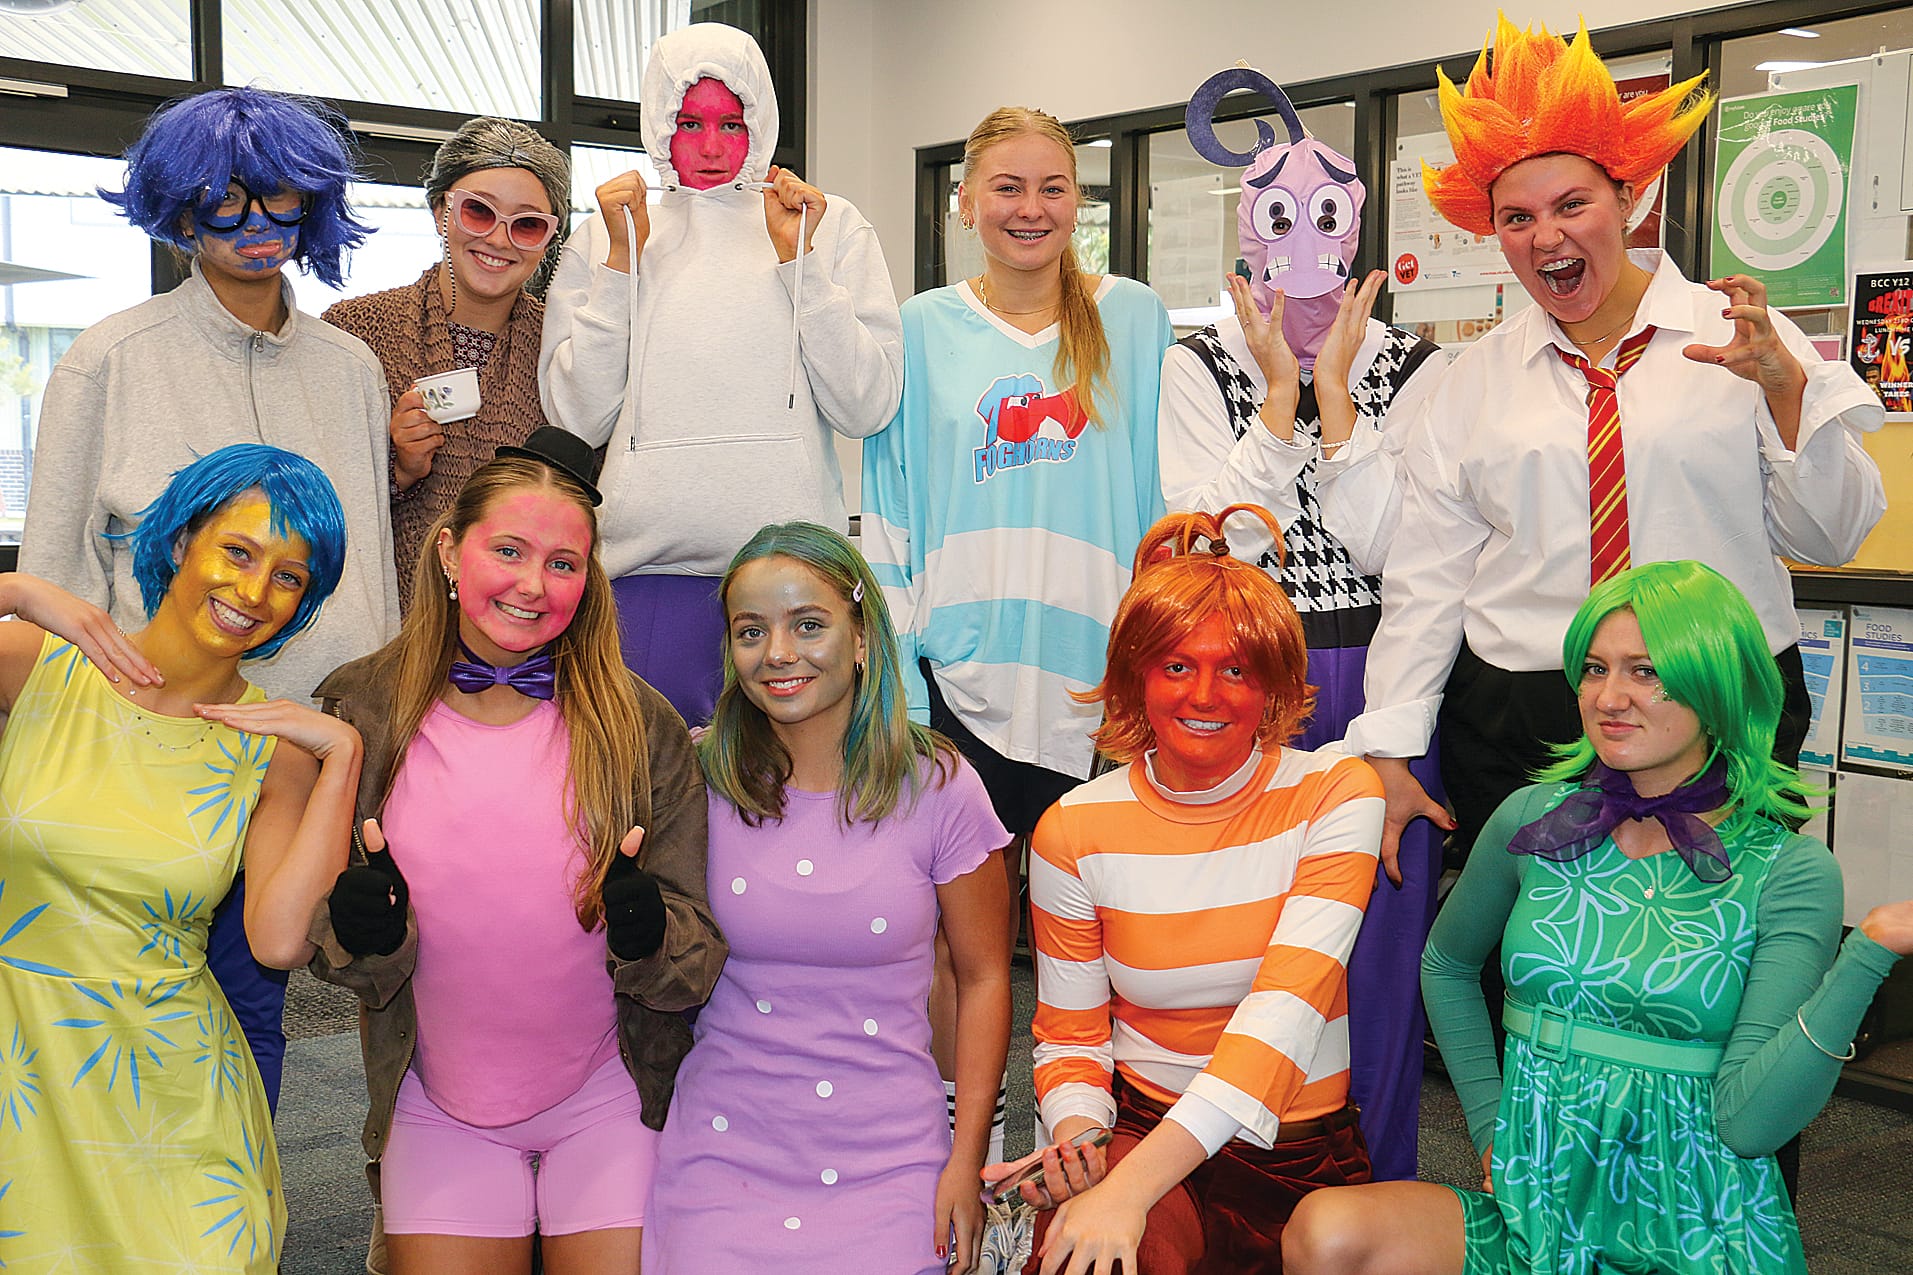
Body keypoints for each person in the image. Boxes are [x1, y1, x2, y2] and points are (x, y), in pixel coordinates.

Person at [1343, 18, 1886, 878]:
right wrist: (1391, 741)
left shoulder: (1743, 337)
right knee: (1536, 957)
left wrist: (1786, 393)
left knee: (1711, 956)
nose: (1544, 236)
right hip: (1525, 708)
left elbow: (1830, 537)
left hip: (1713, 692)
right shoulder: (1469, 380)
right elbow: (1428, 575)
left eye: (1571, 205)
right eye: (1516, 217)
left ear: (1627, 199)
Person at [1283, 560, 1913, 1275]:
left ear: (1715, 687)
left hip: (1693, 1226)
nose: (1608, 697)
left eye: (1644, 671)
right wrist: (1491, 1126)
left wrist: (1870, 947)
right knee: (1326, 1230)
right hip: (1534, 1207)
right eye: (1592, 667)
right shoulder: (1533, 820)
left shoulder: (1788, 871)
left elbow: (1751, 1123)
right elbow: (1446, 963)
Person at [19, 85, 400, 1108]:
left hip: (299, 745)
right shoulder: (111, 356)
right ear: (178, 211)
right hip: (143, 753)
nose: (255, 228)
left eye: (280, 202)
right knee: (118, 1012)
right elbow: (54, 579)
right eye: (223, 204)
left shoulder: (351, 369)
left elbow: (365, 568)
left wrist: (377, 726)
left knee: (255, 1000)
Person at [306, 428, 723, 1275]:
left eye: (564, 563)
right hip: (436, 1105)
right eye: (509, 549)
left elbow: (697, 957)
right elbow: (315, 941)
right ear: (452, 553)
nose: (535, 584)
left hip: (610, 1099)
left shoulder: (641, 726)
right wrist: (360, 931)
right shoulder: (360, 708)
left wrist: (648, 935)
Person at [862, 104, 1176, 1160]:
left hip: (1102, 692)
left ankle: (1075, 1156)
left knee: (1097, 944)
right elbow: (887, 511)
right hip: (962, 684)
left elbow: (1164, 497)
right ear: (964, 202)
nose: (1029, 208)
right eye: (1006, 187)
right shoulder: (914, 330)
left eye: (1051, 188)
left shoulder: (1129, 317)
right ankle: (973, 1160)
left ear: (1076, 203)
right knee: (963, 944)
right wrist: (904, 682)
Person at [1160, 65, 1449, 1183]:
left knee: (1370, 962)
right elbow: (1216, 545)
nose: (1304, 252)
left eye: (1325, 221)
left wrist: (1336, 399)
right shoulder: (1196, 366)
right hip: (1238, 672)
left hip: (1383, 680)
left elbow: (1394, 552)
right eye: (1280, 222)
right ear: (1247, 236)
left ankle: (1366, 1200)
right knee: (1235, 947)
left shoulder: (1413, 369)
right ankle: (1230, 1200)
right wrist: (1274, 396)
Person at [0, 443, 361, 1272]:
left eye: (289, 576)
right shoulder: (35, 668)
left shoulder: (276, 749)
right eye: (237, 550)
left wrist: (340, 758)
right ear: (177, 543)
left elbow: (277, 943)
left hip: (177, 1103)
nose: (252, 591)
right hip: (25, 1087)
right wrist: (16, 591)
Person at [1006, 505, 1383, 1275]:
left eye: (1235, 668)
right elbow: (1071, 1037)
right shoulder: (1071, 828)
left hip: (1292, 1153)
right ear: (1135, 676)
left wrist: (1126, 1190)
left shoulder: (1338, 792)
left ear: (1273, 682)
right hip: (1141, 1126)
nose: (1204, 694)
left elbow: (1281, 1020)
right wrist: (1081, 1144)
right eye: (1176, 665)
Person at [646, 521, 1012, 1274]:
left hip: (893, 1158)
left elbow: (982, 980)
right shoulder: (694, 778)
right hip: (721, 1152)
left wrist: (965, 1163)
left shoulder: (941, 786)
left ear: (861, 637)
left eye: (807, 624)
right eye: (752, 630)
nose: (777, 652)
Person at [539, 21, 903, 724]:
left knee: (787, 810)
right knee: (643, 807)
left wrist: (799, 260)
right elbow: (576, 417)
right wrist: (622, 263)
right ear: (656, 121)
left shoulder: (826, 223)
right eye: (688, 122)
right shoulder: (609, 229)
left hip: (797, 580)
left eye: (733, 124)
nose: (710, 147)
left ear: (761, 122)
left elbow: (868, 406)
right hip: (646, 577)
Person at [325, 117, 571, 615]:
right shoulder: (355, 332)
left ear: (549, 239)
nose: (500, 240)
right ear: (441, 212)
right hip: (389, 621)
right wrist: (397, 470)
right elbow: (314, 499)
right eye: (478, 213)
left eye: (526, 224)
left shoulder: (569, 345)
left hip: (526, 623)